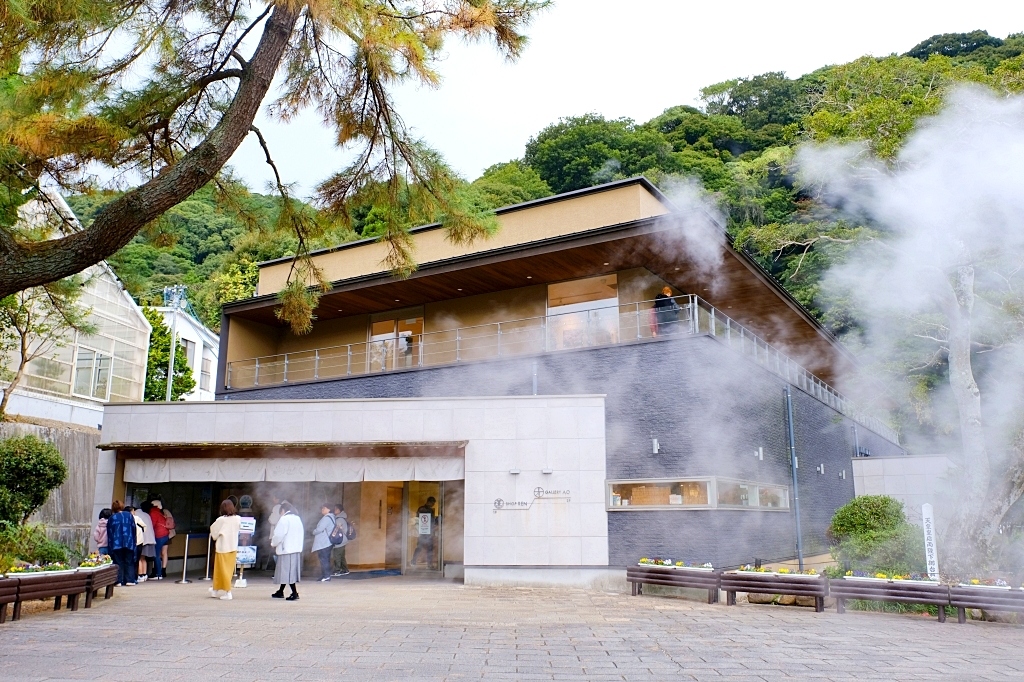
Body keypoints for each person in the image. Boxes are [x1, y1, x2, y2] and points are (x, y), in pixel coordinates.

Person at [209, 499, 242, 601]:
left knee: (220, 570)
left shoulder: (221, 520)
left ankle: (228, 592)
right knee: (228, 571)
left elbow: (213, 530)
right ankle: (215, 589)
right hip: (233, 547)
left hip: (223, 548)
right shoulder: (238, 518)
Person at [270, 502, 304, 600]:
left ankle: (294, 593)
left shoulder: (284, 519)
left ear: (283, 510)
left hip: (286, 549)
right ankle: (280, 591)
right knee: (289, 572)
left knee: (287, 572)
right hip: (295, 549)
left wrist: (273, 543)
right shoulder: (297, 518)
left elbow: (278, 535)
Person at [106, 501, 137, 586]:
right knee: (129, 561)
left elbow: (109, 533)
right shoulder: (129, 515)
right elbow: (134, 528)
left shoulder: (112, 518)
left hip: (116, 543)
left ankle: (118, 580)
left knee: (118, 561)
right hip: (129, 541)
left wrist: (110, 546)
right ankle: (129, 580)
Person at [311, 503, 335, 582]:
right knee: (325, 559)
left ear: (329, 509)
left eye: (324, 508)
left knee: (324, 559)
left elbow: (319, 529)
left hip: (324, 542)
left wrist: (313, 532)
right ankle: (324, 575)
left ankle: (327, 575)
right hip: (327, 542)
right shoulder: (331, 517)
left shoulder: (326, 518)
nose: (322, 509)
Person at [148, 499, 170, 579]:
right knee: (164, 553)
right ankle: (163, 571)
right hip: (166, 534)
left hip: (159, 535)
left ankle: (158, 573)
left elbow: (152, 525)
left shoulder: (153, 513)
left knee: (156, 554)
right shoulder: (161, 512)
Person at [412, 497, 437, 567]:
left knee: (424, 547)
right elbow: (418, 520)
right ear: (429, 502)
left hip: (425, 531)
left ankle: (415, 561)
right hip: (424, 531)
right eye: (433, 503)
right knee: (423, 547)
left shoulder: (422, 509)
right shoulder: (424, 509)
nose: (433, 505)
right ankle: (428, 563)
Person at [134, 502, 156, 581]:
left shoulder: (136, 515)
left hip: (142, 540)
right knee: (144, 559)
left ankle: (140, 575)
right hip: (150, 539)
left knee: (139, 558)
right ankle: (144, 574)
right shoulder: (147, 515)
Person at [331, 503, 351, 577]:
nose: (334, 510)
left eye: (335, 509)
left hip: (339, 540)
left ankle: (337, 570)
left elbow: (336, 530)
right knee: (342, 556)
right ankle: (345, 569)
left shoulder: (339, 519)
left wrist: (332, 538)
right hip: (344, 539)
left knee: (337, 555)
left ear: (339, 510)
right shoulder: (343, 518)